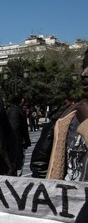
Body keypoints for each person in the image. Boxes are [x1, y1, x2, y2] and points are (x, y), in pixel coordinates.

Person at [30, 49, 88, 180]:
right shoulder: (67, 117)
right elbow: (41, 165)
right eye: (83, 66)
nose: (84, 73)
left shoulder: (83, 115)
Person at [7, 94, 31, 175]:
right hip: (15, 144)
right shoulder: (15, 111)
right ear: (22, 100)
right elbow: (15, 129)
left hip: (16, 143)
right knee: (16, 166)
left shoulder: (14, 110)